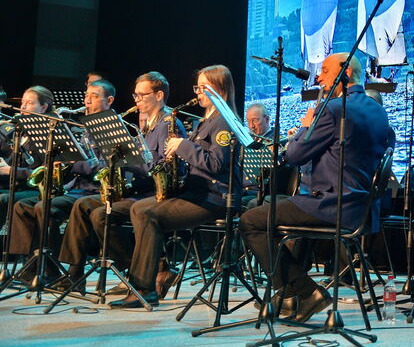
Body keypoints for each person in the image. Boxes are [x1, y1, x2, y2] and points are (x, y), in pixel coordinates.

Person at [239, 53, 394, 323]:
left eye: (324, 70)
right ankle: (289, 294)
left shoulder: (332, 109)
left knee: (250, 220)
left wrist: (305, 126)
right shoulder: (377, 110)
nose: (319, 77)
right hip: (363, 209)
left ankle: (304, 291)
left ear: (345, 74)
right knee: (285, 212)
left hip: (332, 206)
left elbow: (295, 155)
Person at [110, 65, 242, 308]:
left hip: (214, 197)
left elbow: (215, 164)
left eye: (203, 88)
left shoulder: (224, 122)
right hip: (196, 193)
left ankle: (144, 288)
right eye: (197, 87)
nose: (198, 93)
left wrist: (182, 146)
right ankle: (149, 279)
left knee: (145, 213)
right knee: (139, 209)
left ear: (220, 89)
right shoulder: (207, 120)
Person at [58, 72, 182, 296]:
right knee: (83, 205)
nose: (137, 100)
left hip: (152, 194)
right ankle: (74, 274)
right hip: (136, 190)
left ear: (159, 95)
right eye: (135, 95)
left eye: (142, 95)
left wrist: (128, 160)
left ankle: (137, 271)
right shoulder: (148, 125)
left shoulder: (167, 124)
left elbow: (161, 167)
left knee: (100, 215)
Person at [9, 81, 111, 271]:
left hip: (94, 191)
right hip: (74, 188)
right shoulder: (86, 128)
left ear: (109, 101)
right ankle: (29, 267)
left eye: (94, 96)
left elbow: (103, 168)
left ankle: (52, 268)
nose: (88, 100)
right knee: (23, 207)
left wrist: (73, 163)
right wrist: (62, 163)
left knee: (44, 207)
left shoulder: (109, 129)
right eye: (86, 95)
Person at [0, 87, 50, 211]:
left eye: (30, 103)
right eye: (23, 102)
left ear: (43, 107)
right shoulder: (18, 130)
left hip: (34, 190)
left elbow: (45, 174)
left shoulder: (48, 135)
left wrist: (11, 171)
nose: (23, 107)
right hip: (12, 187)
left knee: (2, 199)